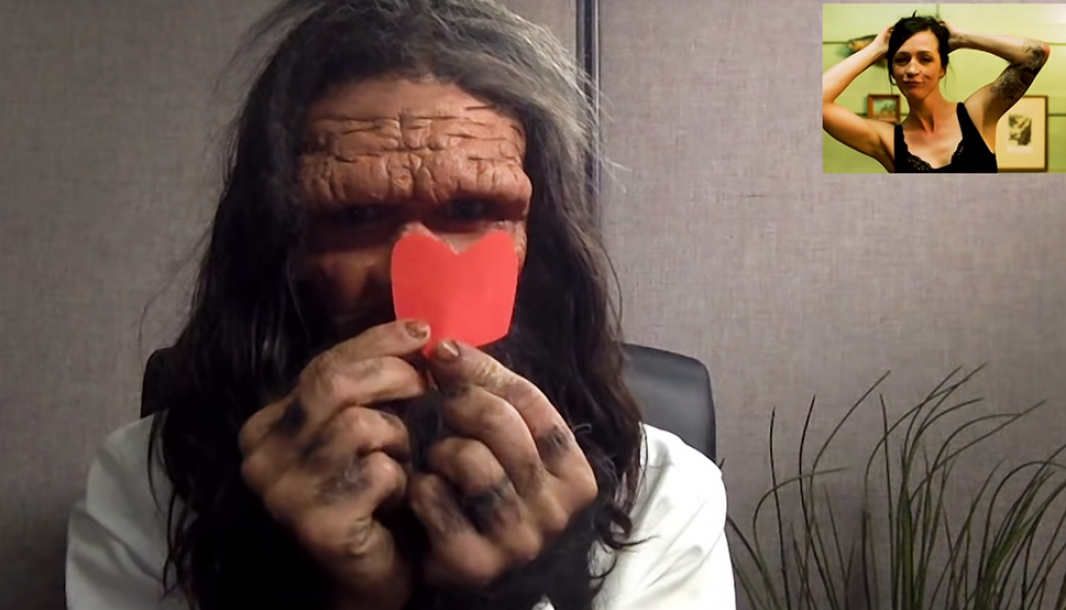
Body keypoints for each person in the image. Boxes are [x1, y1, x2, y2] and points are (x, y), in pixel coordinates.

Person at [64, 1, 736, 609]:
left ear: (544, 247)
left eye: (471, 209)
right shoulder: (145, 486)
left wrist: (513, 597)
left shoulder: (666, 495)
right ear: (278, 249)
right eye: (355, 215)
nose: (407, 282)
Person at [823, 13, 1050, 173]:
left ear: (942, 69)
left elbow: (1037, 53)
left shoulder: (977, 115)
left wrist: (964, 38)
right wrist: (876, 49)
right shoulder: (887, 141)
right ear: (892, 72)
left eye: (925, 59)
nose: (912, 69)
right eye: (901, 60)